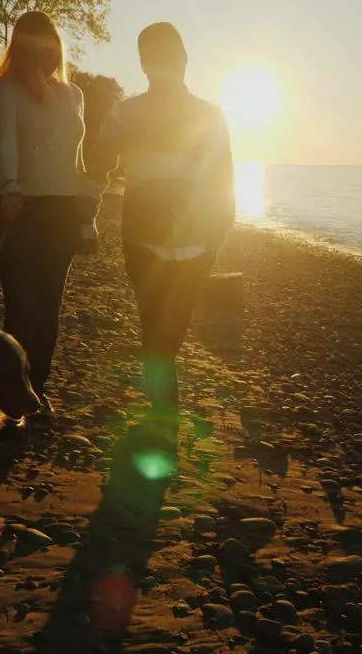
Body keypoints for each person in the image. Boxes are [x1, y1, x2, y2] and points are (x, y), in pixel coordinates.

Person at [85, 22, 236, 426]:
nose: (169, 66)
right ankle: (164, 414)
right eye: (158, 59)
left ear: (185, 60)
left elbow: (223, 175)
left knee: (171, 328)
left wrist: (219, 231)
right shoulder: (127, 112)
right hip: (143, 238)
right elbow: (99, 162)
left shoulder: (210, 115)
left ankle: (160, 404)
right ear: (145, 65)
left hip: (197, 243)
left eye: (174, 57)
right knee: (155, 325)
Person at [0, 10, 92, 416]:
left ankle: (37, 387)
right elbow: (6, 145)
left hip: (61, 210)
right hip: (17, 208)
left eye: (51, 48)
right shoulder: (7, 89)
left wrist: (88, 212)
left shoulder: (74, 94)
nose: (45, 56)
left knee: (49, 306)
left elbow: (76, 161)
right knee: (23, 305)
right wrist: (11, 187)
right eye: (35, 49)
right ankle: (11, 391)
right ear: (20, 50)